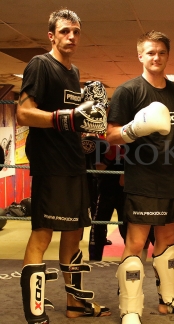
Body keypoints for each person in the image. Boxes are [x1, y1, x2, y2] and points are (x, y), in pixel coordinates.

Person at [16, 9, 111, 323]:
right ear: (52, 35)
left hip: (74, 164)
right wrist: (65, 118)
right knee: (43, 235)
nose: (71, 37)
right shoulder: (40, 65)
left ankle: (75, 304)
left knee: (75, 234)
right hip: (50, 165)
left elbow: (72, 122)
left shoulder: (74, 72)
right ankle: (36, 314)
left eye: (76, 32)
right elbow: (24, 113)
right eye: (65, 31)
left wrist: (87, 130)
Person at [106, 30, 174, 323]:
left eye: (162, 52)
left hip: (173, 178)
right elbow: (111, 135)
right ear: (140, 55)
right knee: (136, 244)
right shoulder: (128, 91)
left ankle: (169, 299)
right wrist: (135, 129)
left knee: (167, 239)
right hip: (142, 178)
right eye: (150, 52)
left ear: (167, 56)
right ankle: (131, 307)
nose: (156, 57)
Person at [83, 136, 127, 260]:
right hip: (106, 190)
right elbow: (98, 168)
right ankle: (94, 258)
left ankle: (131, 257)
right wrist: (109, 157)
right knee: (98, 225)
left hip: (125, 192)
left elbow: (124, 180)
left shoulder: (132, 147)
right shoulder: (103, 146)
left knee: (127, 226)